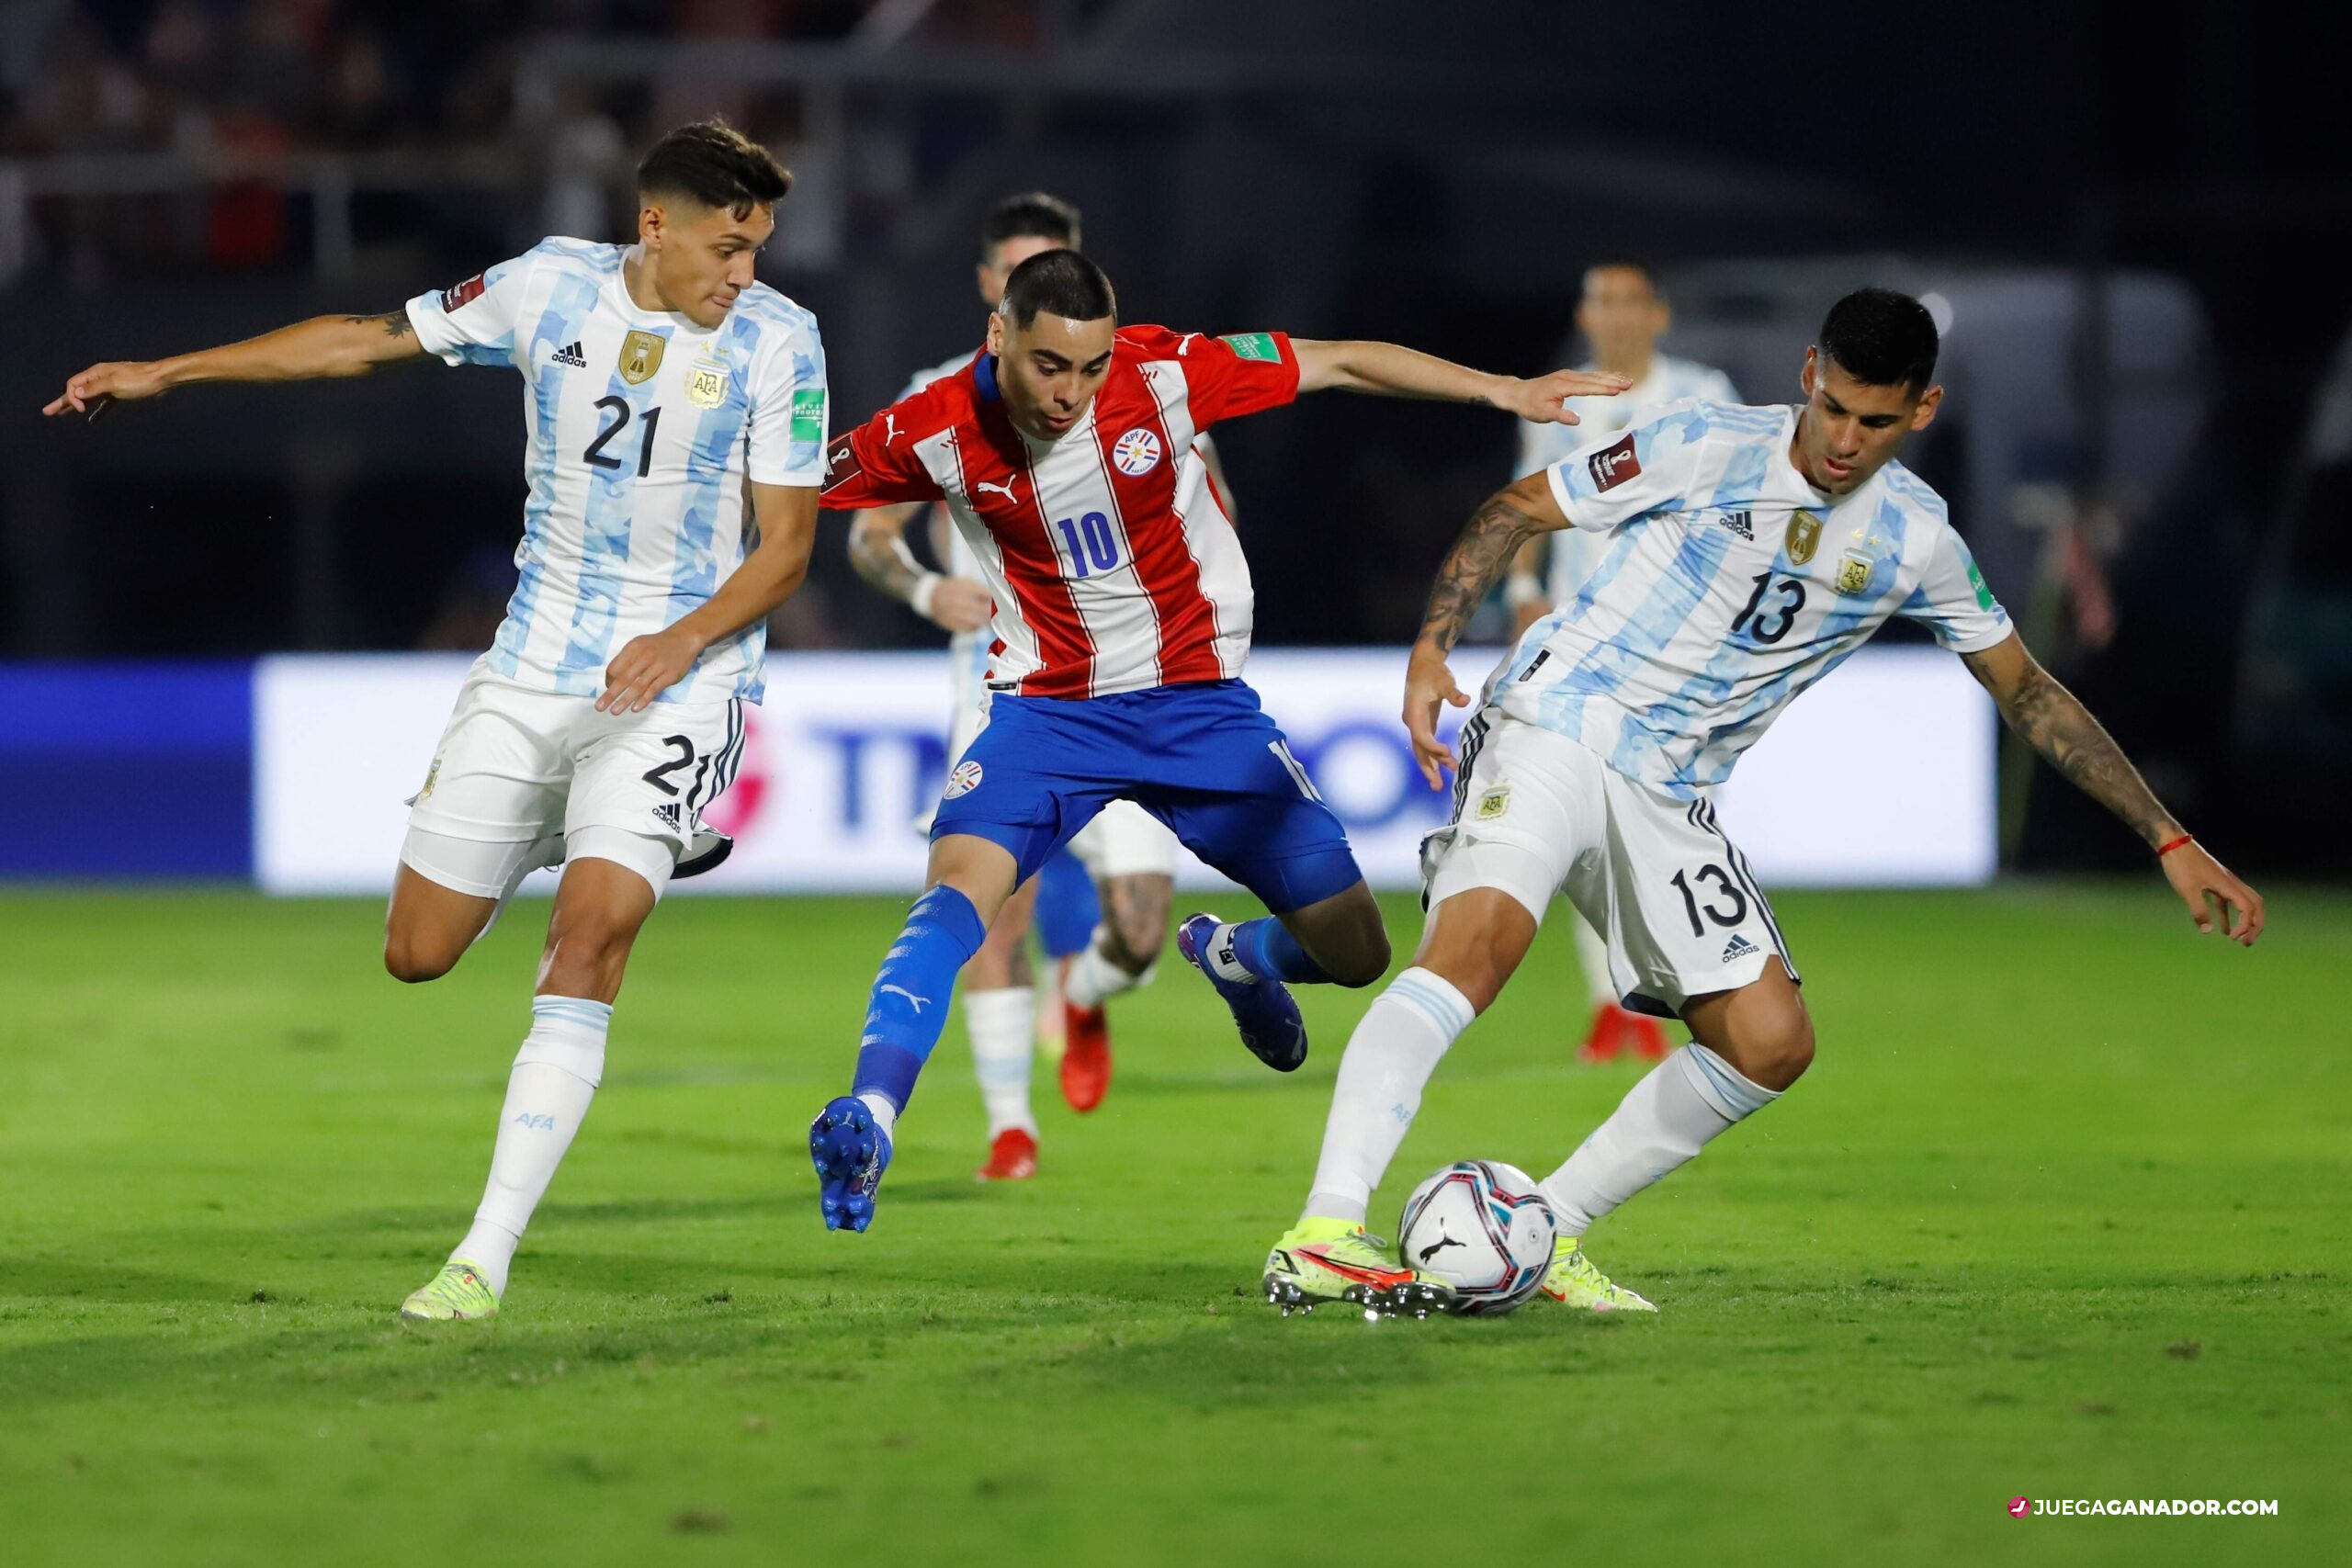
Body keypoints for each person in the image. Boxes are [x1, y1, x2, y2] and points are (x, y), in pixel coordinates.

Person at [1261, 288, 2265, 1315]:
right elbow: (1518, 509)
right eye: (1832, 407)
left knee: (1770, 1041)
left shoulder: (1917, 542)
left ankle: (1542, 1233)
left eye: (1875, 422)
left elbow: (2027, 691)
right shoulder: (1702, 444)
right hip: (1562, 715)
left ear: (1923, 412)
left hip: (1672, 791)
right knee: (1474, 953)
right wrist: (1433, 648)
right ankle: (1326, 1230)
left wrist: (2169, 837)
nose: (1842, 440)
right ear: (1806, 374)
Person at [44, 120, 829, 1323]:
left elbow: (783, 552)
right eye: (729, 246)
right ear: (656, 224)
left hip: (684, 673)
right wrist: (166, 372)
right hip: (530, 669)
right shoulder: (545, 285)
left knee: (593, 933)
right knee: (417, 951)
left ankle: (483, 1254)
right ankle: (581, 822)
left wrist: (681, 640)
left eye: (759, 249)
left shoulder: (781, 341)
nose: (746, 274)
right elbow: (359, 343)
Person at [807, 248, 1629, 1232]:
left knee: (1360, 952)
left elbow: (1339, 362)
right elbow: (791, 489)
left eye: (1090, 366)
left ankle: (1241, 956)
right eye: (1047, 367)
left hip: (1198, 711)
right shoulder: (932, 426)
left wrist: (1500, 389)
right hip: (1045, 713)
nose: (1070, 393)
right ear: (998, 339)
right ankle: (871, 1116)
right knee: (956, 896)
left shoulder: (1162, 376)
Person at [843, 193, 1220, 1181]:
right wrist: (930, 590)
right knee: (989, 909)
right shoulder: (939, 401)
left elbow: (1205, 512)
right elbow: (868, 534)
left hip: (1132, 692)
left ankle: (1088, 993)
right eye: (1022, 269)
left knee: (1141, 930)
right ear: (988, 293)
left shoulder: (1144, 381)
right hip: (1006, 696)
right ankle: (1011, 1128)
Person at [1504, 261, 1740, 1066]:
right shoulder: (1560, 401)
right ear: (1585, 313)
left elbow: (1747, 497)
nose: (1616, 314)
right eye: (1602, 300)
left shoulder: (1702, 392)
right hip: (1585, 640)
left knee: (1662, 818)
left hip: (1682, 643)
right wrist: (1526, 589)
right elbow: (1528, 502)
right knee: (1584, 818)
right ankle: (1620, 1004)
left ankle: (1665, 991)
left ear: (1658, 313)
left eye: (1630, 299)